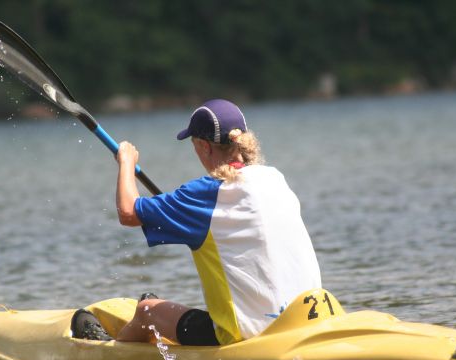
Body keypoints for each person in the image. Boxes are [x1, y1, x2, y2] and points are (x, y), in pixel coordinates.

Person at [114, 99, 321, 346]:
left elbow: (128, 212)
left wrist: (126, 162)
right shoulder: (275, 178)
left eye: (194, 145)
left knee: (148, 310)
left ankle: (108, 354)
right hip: (308, 320)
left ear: (204, 146)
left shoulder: (205, 194)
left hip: (248, 335)